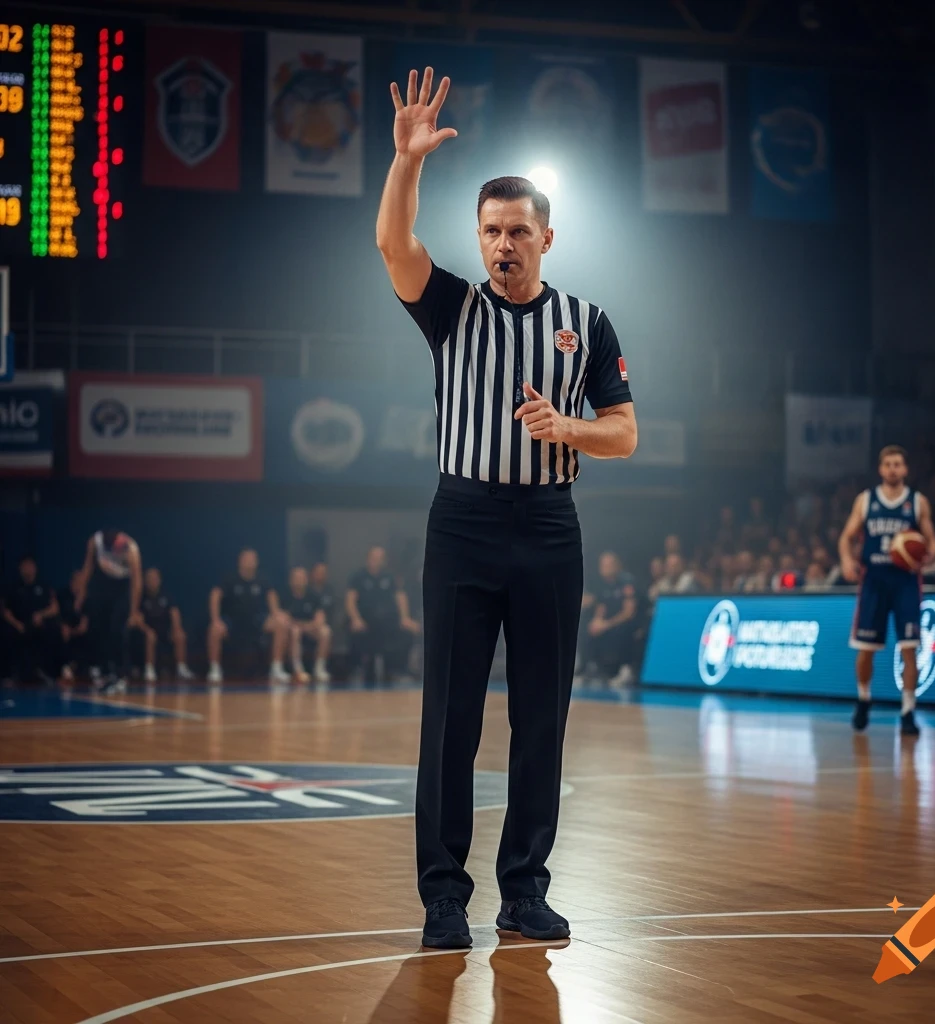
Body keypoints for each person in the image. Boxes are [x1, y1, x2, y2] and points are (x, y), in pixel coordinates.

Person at [377, 67, 636, 949]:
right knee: (450, 714)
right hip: (464, 521)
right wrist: (406, 161)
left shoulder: (587, 322)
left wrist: (569, 424)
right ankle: (443, 898)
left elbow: (627, 434)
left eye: (517, 230)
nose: (502, 245)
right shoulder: (450, 307)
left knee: (541, 717)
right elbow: (390, 241)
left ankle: (524, 890)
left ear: (547, 238)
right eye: (490, 231)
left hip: (550, 526)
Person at [839, 446, 935, 736]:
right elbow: (846, 537)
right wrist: (846, 559)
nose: (893, 469)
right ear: (881, 469)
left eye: (898, 464)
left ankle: (908, 711)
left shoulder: (918, 502)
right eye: (888, 464)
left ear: (905, 469)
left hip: (905, 581)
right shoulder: (866, 500)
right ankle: (863, 699)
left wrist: (925, 555)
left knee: (910, 648)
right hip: (874, 580)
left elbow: (933, 544)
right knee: (865, 650)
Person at [206, 548, 289, 684]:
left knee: (281, 624)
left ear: (257, 562)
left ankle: (276, 668)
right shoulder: (229, 578)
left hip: (256, 620)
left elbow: (271, 595)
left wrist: (276, 613)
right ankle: (214, 669)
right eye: (246, 559)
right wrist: (215, 619)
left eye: (253, 560)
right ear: (240, 561)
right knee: (214, 629)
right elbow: (215, 595)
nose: (250, 562)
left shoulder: (263, 578)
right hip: (233, 620)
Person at [76, 530, 143, 692]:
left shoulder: (131, 549)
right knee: (100, 630)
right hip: (102, 586)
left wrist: (134, 610)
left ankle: (121, 675)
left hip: (121, 589)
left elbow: (137, 581)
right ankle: (105, 672)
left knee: (117, 630)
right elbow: (87, 568)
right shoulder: (95, 542)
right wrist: (81, 594)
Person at [345, 547, 419, 682]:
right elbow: (350, 600)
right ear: (368, 559)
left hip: (388, 621)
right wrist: (356, 619)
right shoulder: (358, 576)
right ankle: (358, 670)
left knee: (408, 632)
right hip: (365, 621)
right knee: (355, 633)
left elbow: (400, 597)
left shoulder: (390, 577)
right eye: (374, 558)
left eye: (380, 558)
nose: (376, 561)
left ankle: (398, 670)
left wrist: (405, 618)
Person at [1, 556, 60, 683]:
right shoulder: (13, 587)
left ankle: (47, 672)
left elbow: (54, 608)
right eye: (24, 566)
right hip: (18, 625)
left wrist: (41, 615)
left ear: (35, 568)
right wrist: (17, 624)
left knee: (53, 631)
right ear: (20, 569)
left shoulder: (43, 586)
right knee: (6, 633)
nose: (27, 569)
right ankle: (10, 674)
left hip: (39, 624)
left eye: (30, 566)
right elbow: (6, 611)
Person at [584, 552, 639, 687]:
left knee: (620, 630)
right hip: (609, 622)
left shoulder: (627, 582)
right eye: (603, 565)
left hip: (628, 622)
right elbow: (601, 607)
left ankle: (625, 670)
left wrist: (606, 625)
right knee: (588, 627)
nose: (605, 568)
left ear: (617, 565)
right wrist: (597, 622)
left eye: (608, 565)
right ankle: (592, 667)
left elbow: (628, 613)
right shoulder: (603, 584)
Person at [138, 567, 192, 683]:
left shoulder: (166, 596)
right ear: (144, 580)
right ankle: (149, 669)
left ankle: (181, 668)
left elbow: (174, 613)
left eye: (155, 578)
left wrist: (176, 629)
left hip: (166, 631)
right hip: (148, 632)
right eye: (149, 578)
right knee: (150, 636)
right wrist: (147, 630)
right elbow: (138, 619)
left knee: (180, 636)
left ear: (159, 580)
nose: (152, 581)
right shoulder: (141, 597)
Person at [284, 566, 331, 684]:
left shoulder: (314, 596)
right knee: (295, 631)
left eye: (302, 578)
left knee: (325, 631)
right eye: (297, 578)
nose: (300, 580)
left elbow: (320, 619)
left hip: (309, 628)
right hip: (291, 629)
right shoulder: (285, 595)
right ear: (291, 580)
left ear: (307, 580)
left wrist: (306, 626)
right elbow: (284, 619)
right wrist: (298, 626)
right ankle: (298, 670)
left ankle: (319, 669)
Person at [57, 570, 91, 684]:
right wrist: (63, 626)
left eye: (83, 581)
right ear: (72, 581)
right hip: (64, 629)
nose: (81, 583)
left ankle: (89, 668)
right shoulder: (63, 595)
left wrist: (83, 624)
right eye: (78, 581)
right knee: (61, 633)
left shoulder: (88, 598)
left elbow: (87, 617)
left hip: (81, 631)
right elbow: (57, 613)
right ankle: (65, 666)